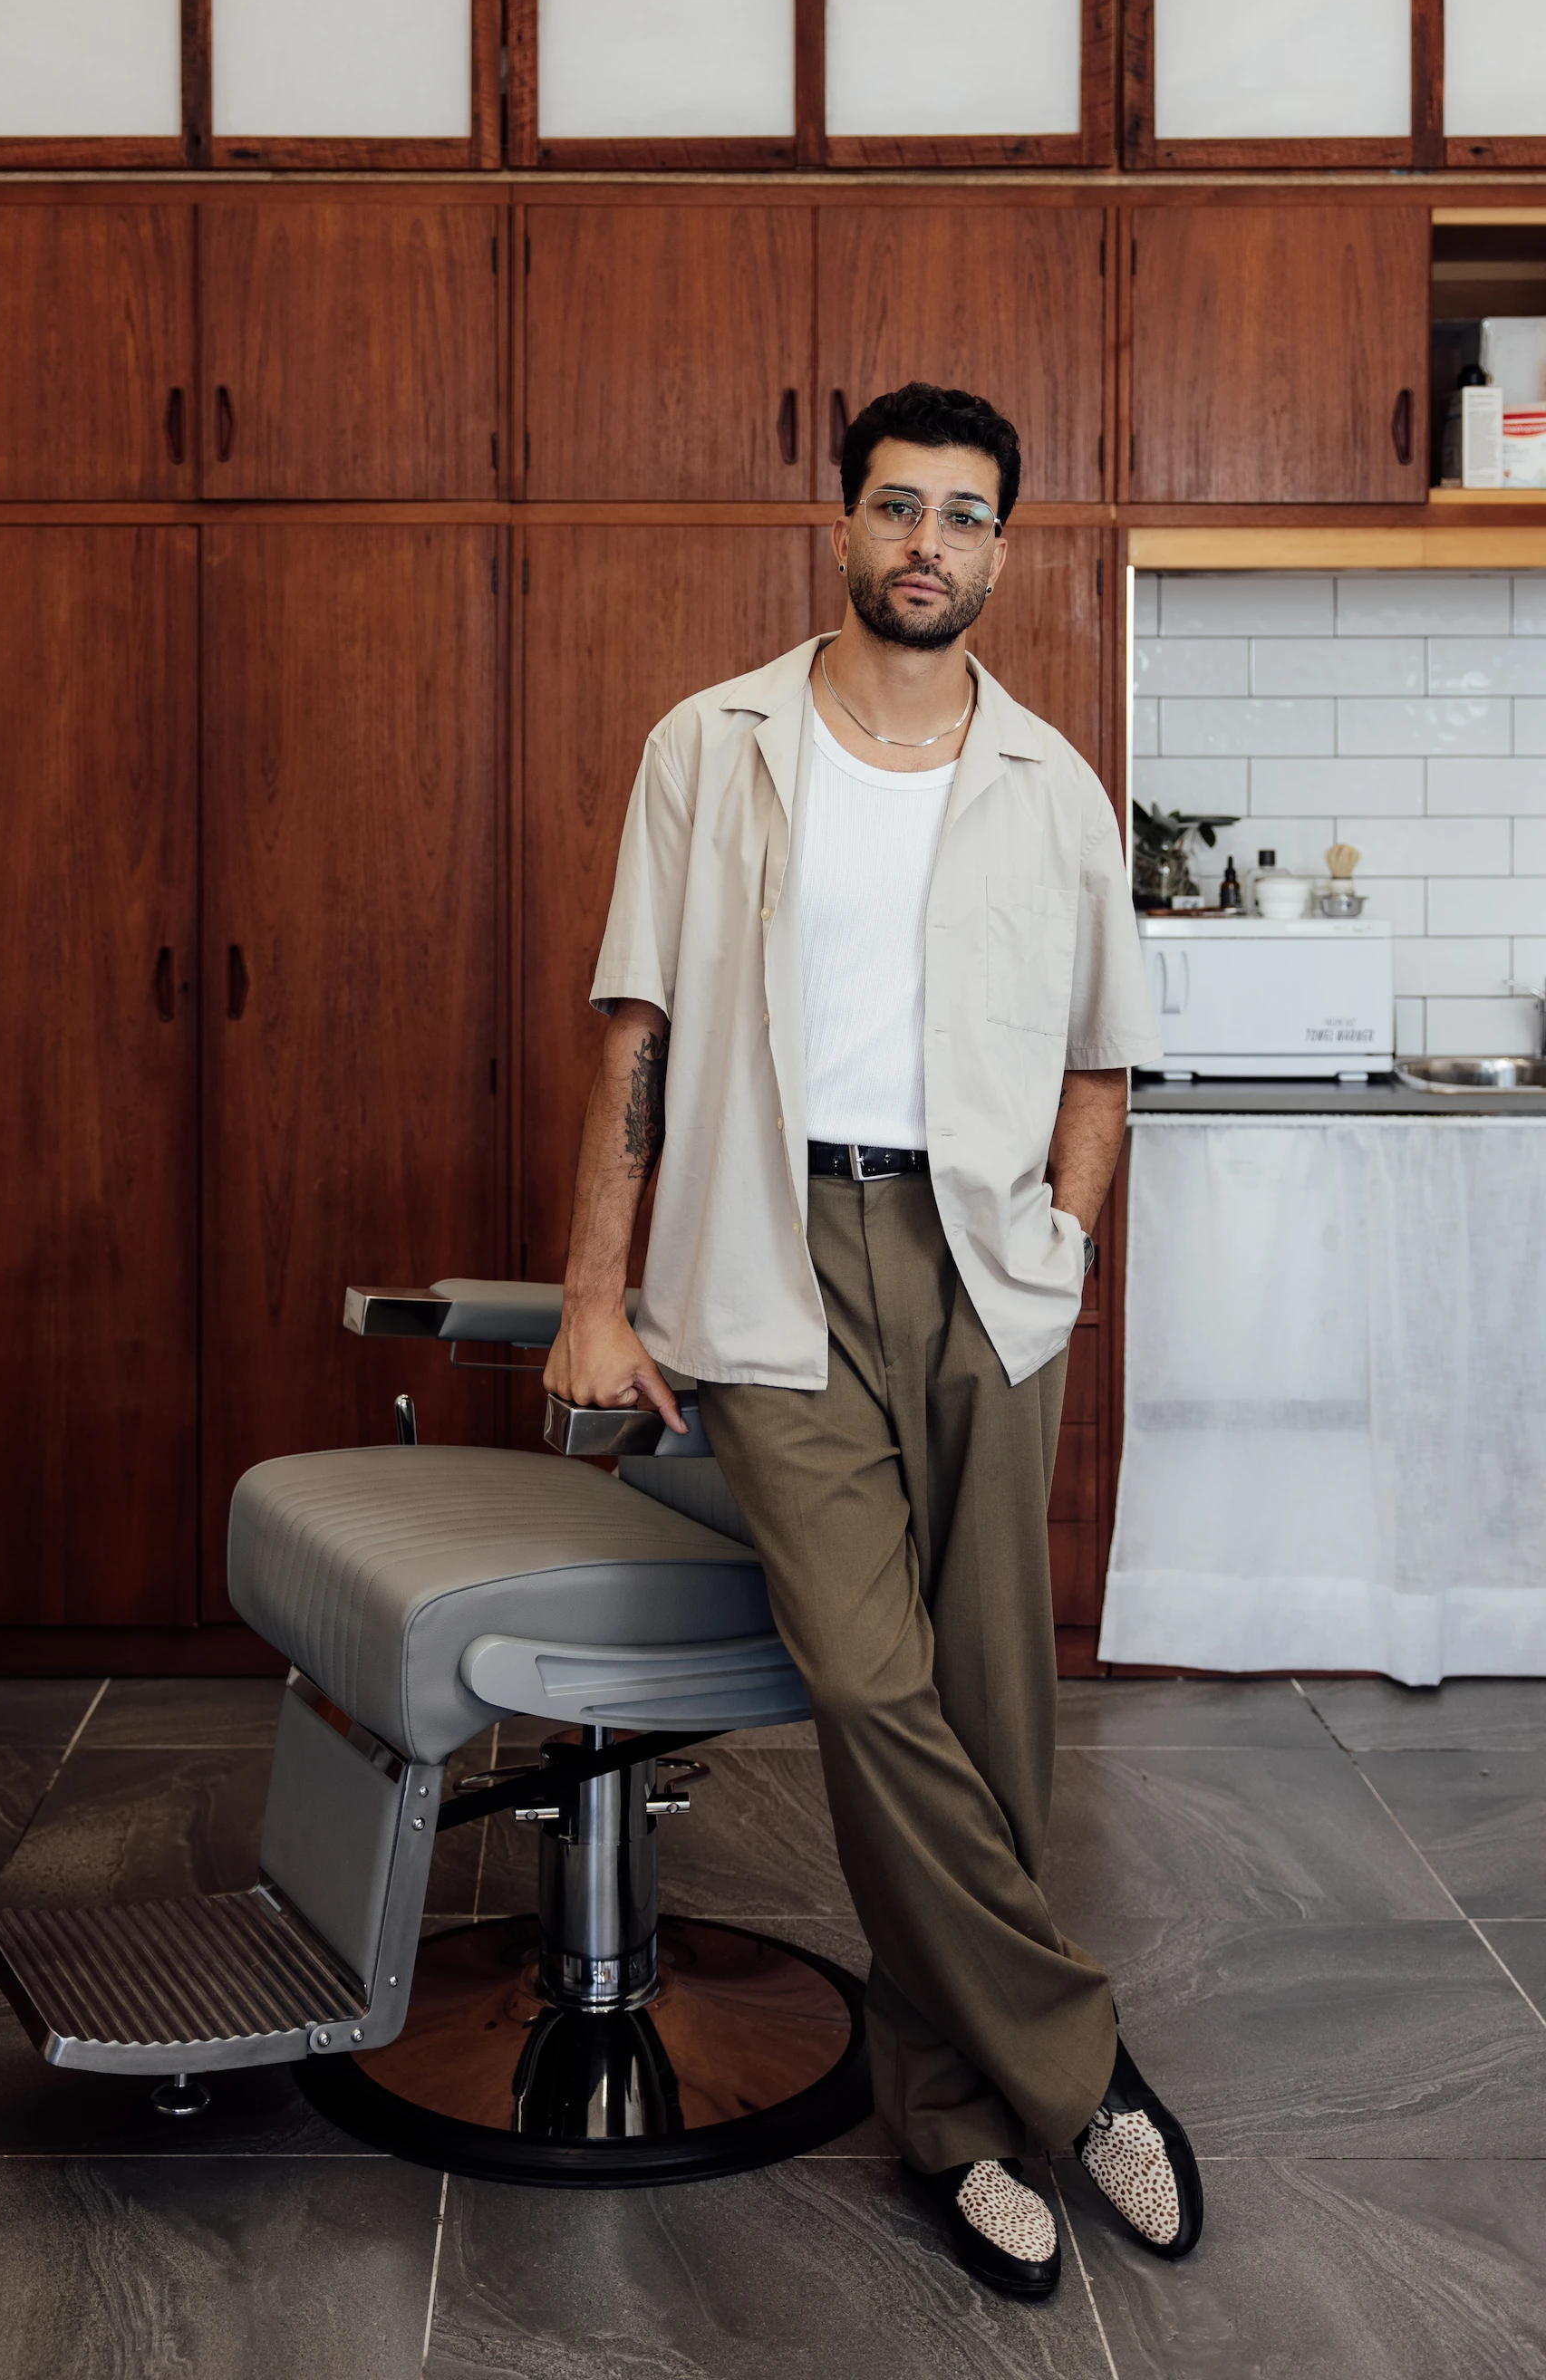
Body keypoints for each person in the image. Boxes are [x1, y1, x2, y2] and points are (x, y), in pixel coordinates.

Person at [543, 381, 1201, 2302]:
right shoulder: (715, 745)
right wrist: (597, 1292)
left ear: (1005, 548)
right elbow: (633, 1034)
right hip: (766, 1255)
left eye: (966, 515)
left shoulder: (1051, 783)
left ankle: (958, 2116)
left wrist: (1064, 1236)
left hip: (986, 1261)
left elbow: (1103, 1051)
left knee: (994, 1705)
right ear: (841, 524)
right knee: (866, 1673)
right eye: (897, 506)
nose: (928, 541)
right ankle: (1082, 2067)